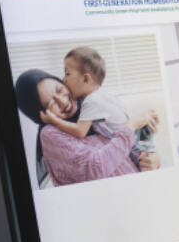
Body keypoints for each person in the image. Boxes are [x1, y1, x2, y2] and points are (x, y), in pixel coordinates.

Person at [13, 69, 159, 187]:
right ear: (40, 114)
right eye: (50, 104)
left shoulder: (90, 106)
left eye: (59, 90)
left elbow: (133, 144)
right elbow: (95, 168)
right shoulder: (50, 134)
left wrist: (153, 158)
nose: (63, 102)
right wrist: (131, 126)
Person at [40, 46, 159, 164]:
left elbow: (80, 131)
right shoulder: (104, 93)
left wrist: (55, 121)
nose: (63, 79)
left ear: (86, 79)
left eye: (67, 73)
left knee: (146, 167)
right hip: (139, 139)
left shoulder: (91, 101)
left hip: (133, 146)